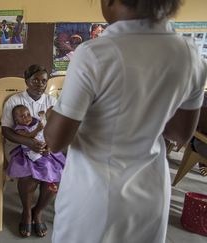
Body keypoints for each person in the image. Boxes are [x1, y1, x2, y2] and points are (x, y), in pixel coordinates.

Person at [44, 0, 207, 242]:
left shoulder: (95, 53)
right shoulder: (189, 55)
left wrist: (51, 116)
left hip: (94, 196)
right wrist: (147, 111)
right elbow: (179, 134)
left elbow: (56, 140)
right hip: (150, 192)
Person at [1, 64, 65, 238]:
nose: (40, 84)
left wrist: (50, 146)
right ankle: (27, 212)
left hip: (46, 148)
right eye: (35, 80)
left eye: (44, 81)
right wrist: (28, 142)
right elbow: (6, 130)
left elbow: (57, 129)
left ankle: (38, 211)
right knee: (29, 177)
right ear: (26, 80)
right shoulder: (14, 101)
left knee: (54, 179)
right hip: (19, 147)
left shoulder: (51, 101)